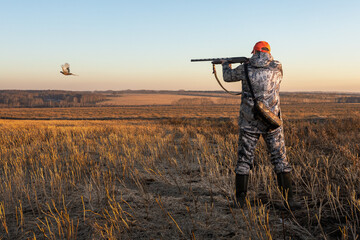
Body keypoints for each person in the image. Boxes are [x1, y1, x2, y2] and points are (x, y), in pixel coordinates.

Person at [221, 41, 300, 210]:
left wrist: (226, 64)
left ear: (254, 51)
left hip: (249, 121)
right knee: (280, 159)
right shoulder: (277, 67)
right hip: (272, 121)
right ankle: (289, 201)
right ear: (268, 51)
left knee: (244, 160)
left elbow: (227, 78)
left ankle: (240, 200)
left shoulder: (245, 68)